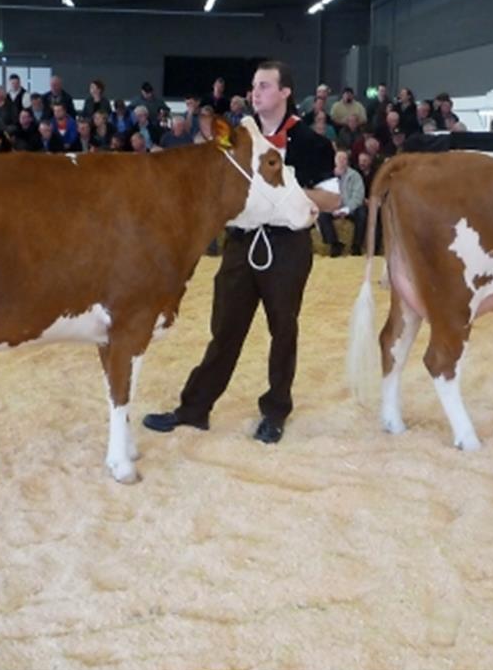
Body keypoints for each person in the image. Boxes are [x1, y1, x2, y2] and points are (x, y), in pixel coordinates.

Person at [142, 60, 340, 444]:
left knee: (283, 329)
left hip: (287, 245)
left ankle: (275, 411)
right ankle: (194, 408)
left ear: (285, 92)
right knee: (225, 329)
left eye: (265, 85)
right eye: (254, 86)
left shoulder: (310, 142)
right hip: (241, 241)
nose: (255, 92)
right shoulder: (235, 138)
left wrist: (285, 192)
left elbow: (333, 199)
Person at [316, 149, 368, 257]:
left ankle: (356, 246)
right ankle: (334, 244)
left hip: (350, 208)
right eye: (339, 158)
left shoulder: (355, 176)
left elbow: (358, 196)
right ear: (335, 161)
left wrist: (346, 209)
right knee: (321, 215)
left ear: (347, 161)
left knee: (362, 213)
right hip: (333, 207)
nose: (341, 161)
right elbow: (322, 194)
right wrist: (332, 208)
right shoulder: (327, 176)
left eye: (344, 159)